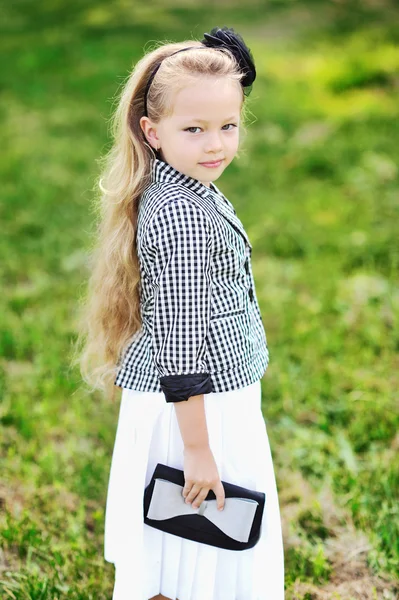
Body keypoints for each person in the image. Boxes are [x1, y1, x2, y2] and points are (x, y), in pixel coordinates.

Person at [75, 25, 285, 600]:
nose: (215, 143)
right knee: (190, 539)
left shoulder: (185, 187)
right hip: (194, 408)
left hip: (203, 399)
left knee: (186, 544)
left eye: (228, 126)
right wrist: (197, 449)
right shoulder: (182, 215)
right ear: (153, 131)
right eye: (194, 129)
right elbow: (180, 342)